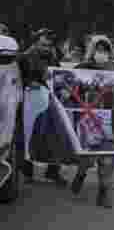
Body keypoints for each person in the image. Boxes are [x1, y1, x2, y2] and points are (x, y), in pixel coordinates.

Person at [71, 35, 114, 207]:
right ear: (92, 51)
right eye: (98, 50)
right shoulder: (81, 68)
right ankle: (81, 174)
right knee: (88, 154)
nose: (102, 54)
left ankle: (103, 192)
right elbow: (71, 86)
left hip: (108, 117)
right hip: (88, 117)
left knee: (107, 157)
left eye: (105, 50)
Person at [25, 28, 68, 185]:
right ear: (35, 43)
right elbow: (19, 78)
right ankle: (27, 172)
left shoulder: (52, 56)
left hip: (50, 100)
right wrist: (30, 83)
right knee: (30, 134)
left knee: (54, 134)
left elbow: (57, 75)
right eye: (43, 44)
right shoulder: (25, 57)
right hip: (30, 102)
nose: (46, 48)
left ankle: (53, 171)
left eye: (48, 45)